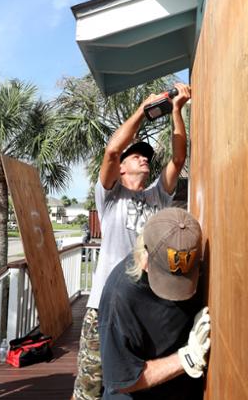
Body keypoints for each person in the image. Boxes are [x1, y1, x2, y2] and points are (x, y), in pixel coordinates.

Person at [72, 83, 191, 399]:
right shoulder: (110, 197)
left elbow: (178, 160)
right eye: (136, 156)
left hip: (145, 306)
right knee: (88, 388)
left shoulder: (157, 197)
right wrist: (143, 109)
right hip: (105, 307)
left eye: (145, 157)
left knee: (130, 384)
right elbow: (112, 150)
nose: (143, 159)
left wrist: (177, 110)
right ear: (121, 168)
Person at [98, 207, 210, 399]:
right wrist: (187, 358)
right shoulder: (119, 298)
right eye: (167, 280)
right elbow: (122, 379)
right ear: (145, 258)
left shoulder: (197, 268)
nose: (176, 294)